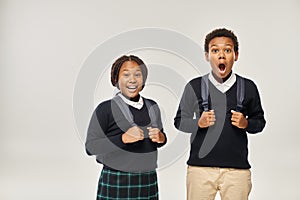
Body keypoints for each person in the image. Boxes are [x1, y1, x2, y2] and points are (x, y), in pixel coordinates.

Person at [174, 28, 266, 200]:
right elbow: (179, 121)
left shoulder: (248, 87)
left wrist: (246, 123)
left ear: (236, 55)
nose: (221, 55)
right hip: (200, 170)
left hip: (237, 171)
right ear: (207, 56)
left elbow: (260, 122)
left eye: (227, 50)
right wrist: (197, 123)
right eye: (215, 50)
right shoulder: (194, 86)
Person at [86, 55, 167, 200]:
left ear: (143, 79)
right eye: (126, 74)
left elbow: (160, 139)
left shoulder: (152, 106)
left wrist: (161, 138)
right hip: (117, 180)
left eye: (137, 74)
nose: (132, 80)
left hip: (148, 180)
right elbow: (91, 147)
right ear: (116, 79)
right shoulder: (105, 109)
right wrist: (123, 138)